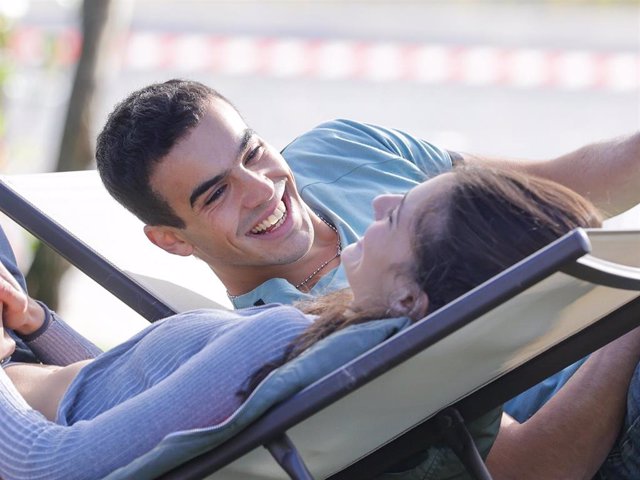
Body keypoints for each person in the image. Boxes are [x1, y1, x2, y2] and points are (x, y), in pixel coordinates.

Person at [0, 167, 638, 480]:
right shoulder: (411, 381)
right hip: (29, 369)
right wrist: (34, 322)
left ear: (413, 299)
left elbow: (49, 467)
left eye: (399, 217)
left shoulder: (281, 343)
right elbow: (123, 399)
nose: (380, 203)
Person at [94, 78, 640, 428]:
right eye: (216, 193)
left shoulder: (338, 147)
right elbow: (529, 463)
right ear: (173, 239)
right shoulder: (290, 343)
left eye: (253, 152)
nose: (261, 188)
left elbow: (555, 190)